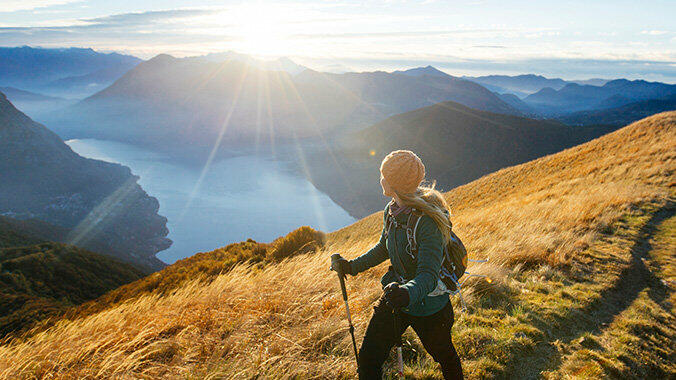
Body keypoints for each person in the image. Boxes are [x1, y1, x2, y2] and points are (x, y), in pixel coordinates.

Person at [331, 150, 463, 380]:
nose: (381, 179)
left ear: (394, 183)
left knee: (445, 357)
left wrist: (407, 292)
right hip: (396, 298)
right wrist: (351, 267)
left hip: (429, 307)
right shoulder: (392, 210)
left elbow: (428, 275)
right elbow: (384, 246)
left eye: (384, 176)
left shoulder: (427, 223)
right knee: (369, 359)